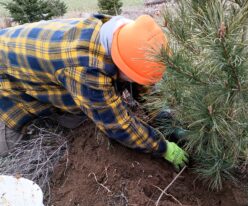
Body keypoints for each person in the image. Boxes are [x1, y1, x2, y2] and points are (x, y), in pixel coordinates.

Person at [0, 14, 188, 171]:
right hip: (6, 70)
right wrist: (162, 147)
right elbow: (117, 125)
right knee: (9, 142)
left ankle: (53, 110)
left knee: (77, 116)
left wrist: (164, 119)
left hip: (46, 61)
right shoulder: (86, 70)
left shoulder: (119, 34)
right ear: (119, 62)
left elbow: (142, 84)